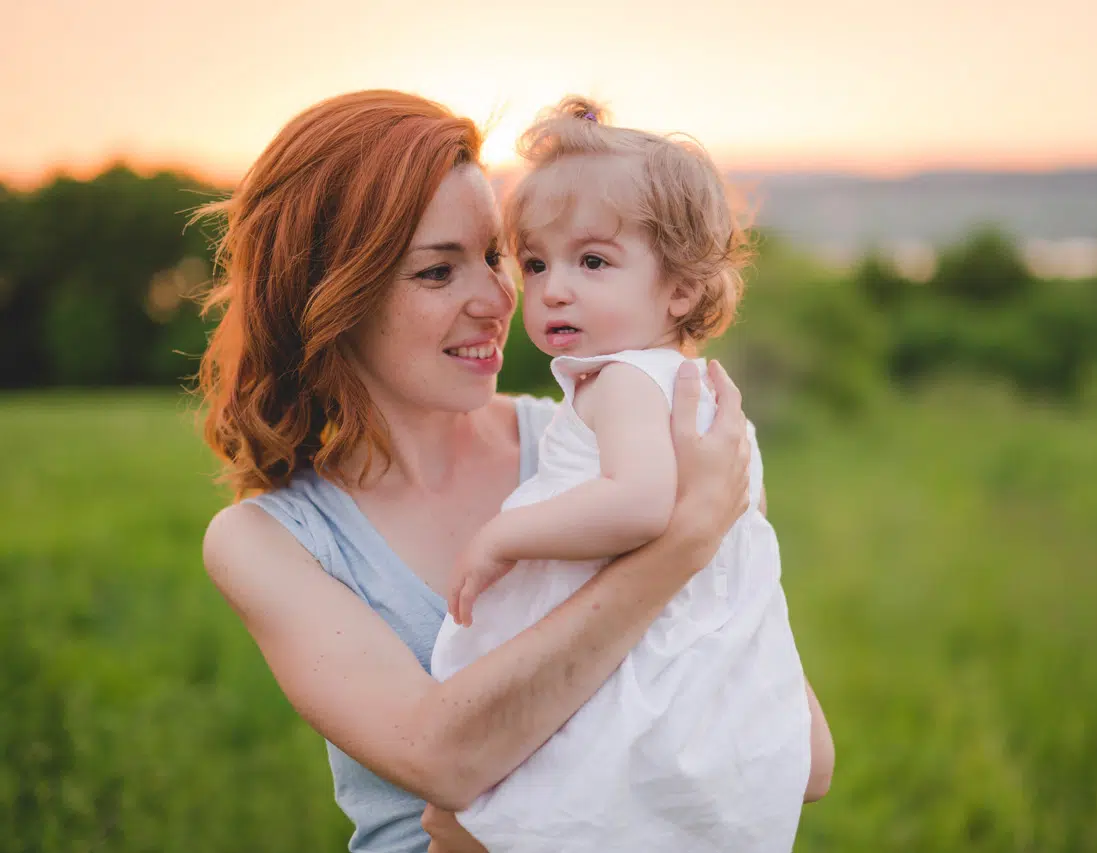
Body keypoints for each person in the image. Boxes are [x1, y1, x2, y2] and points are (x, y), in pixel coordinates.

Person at [196, 90, 785, 852]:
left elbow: (798, 748)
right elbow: (443, 756)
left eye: (496, 256)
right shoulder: (270, 542)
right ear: (333, 294)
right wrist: (685, 541)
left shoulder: (589, 445)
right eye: (439, 273)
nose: (502, 297)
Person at [428, 97, 829, 853]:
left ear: (679, 287)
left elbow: (640, 503)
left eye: (593, 261)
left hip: (636, 643)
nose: (553, 288)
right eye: (537, 262)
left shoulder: (619, 382)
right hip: (691, 641)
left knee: (561, 794)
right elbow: (749, 527)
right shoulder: (693, 387)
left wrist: (504, 533)